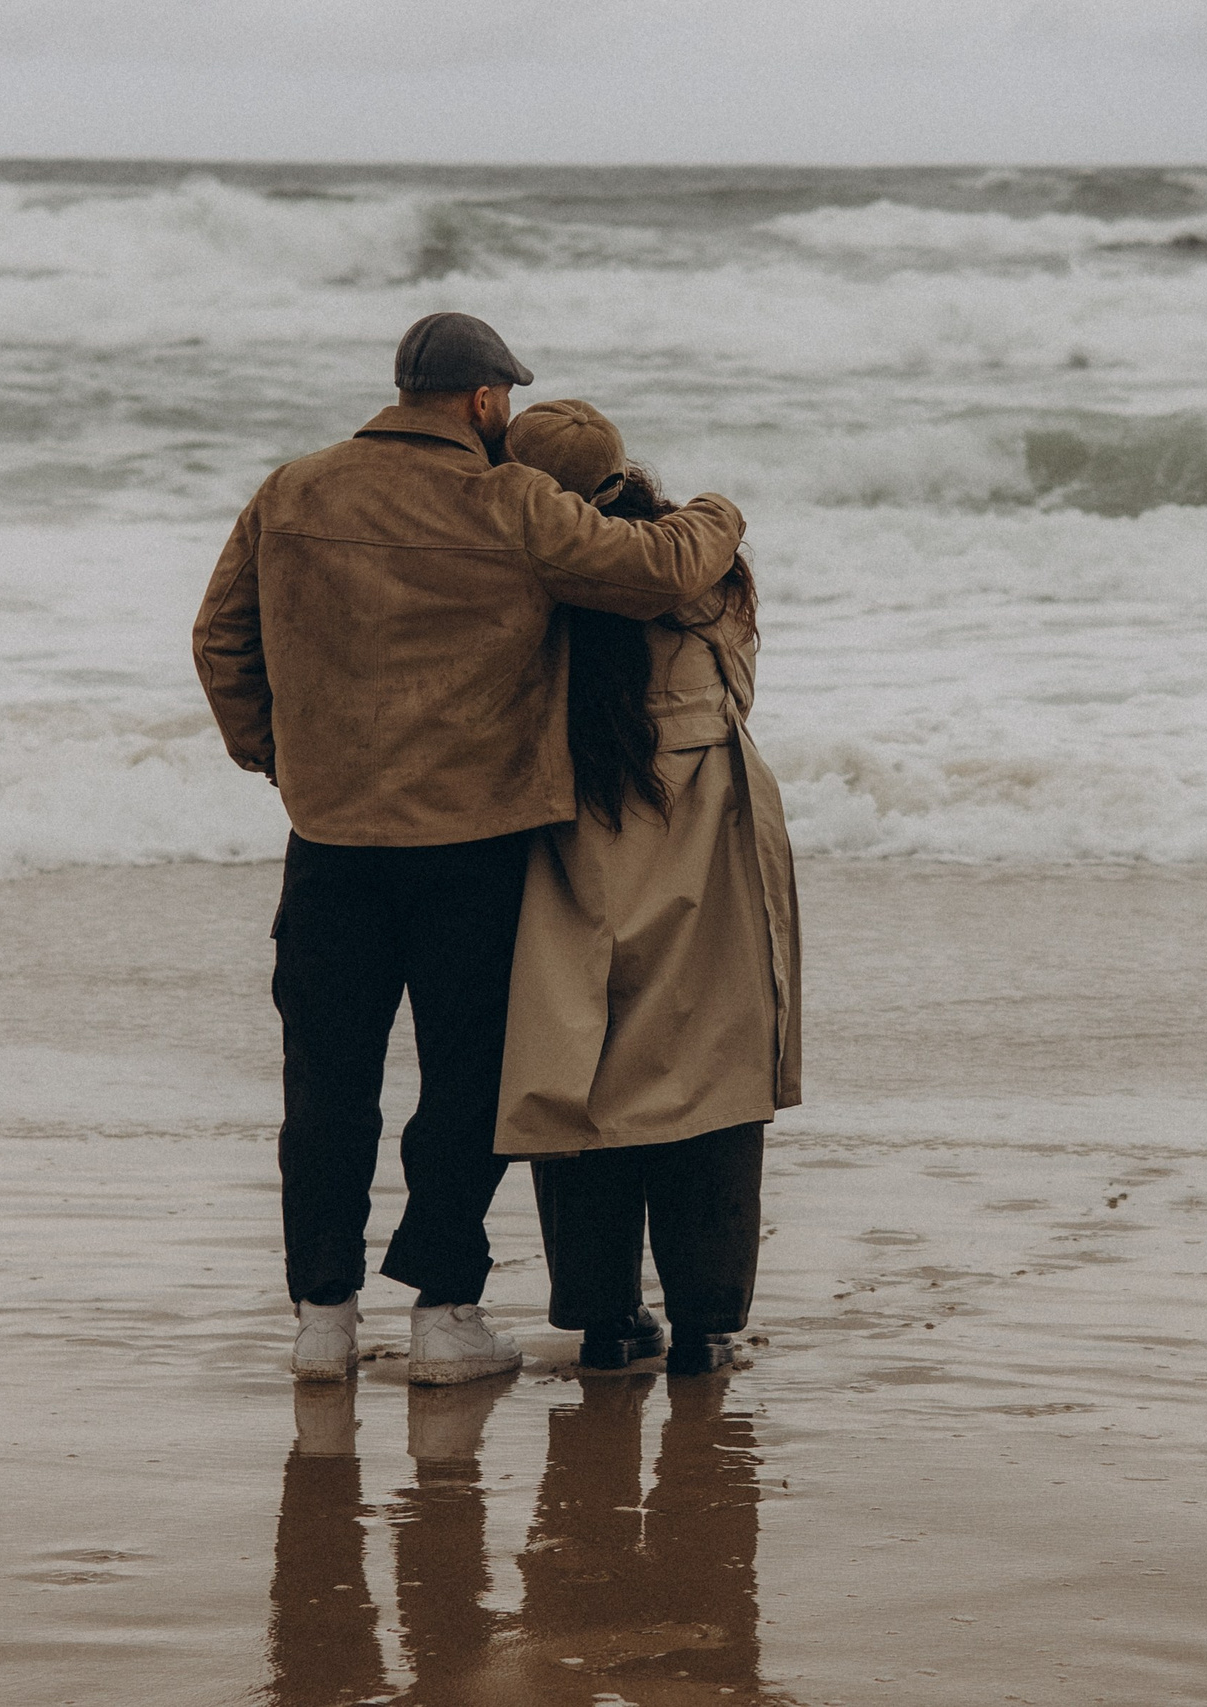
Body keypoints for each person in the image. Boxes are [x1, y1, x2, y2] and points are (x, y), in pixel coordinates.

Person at [192, 315, 747, 1385]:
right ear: (488, 402)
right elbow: (655, 572)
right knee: (463, 1085)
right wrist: (721, 508)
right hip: (473, 848)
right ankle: (444, 1317)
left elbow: (221, 637)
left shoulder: (293, 489)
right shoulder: (508, 499)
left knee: (326, 1085)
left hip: (331, 841)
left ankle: (322, 1318)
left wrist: (277, 756)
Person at [494, 400, 802, 1379]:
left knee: (579, 1070)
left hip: (568, 839)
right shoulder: (708, 572)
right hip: (709, 827)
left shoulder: (520, 586)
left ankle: (604, 1318)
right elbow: (739, 686)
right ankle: (707, 1325)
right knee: (713, 1071)